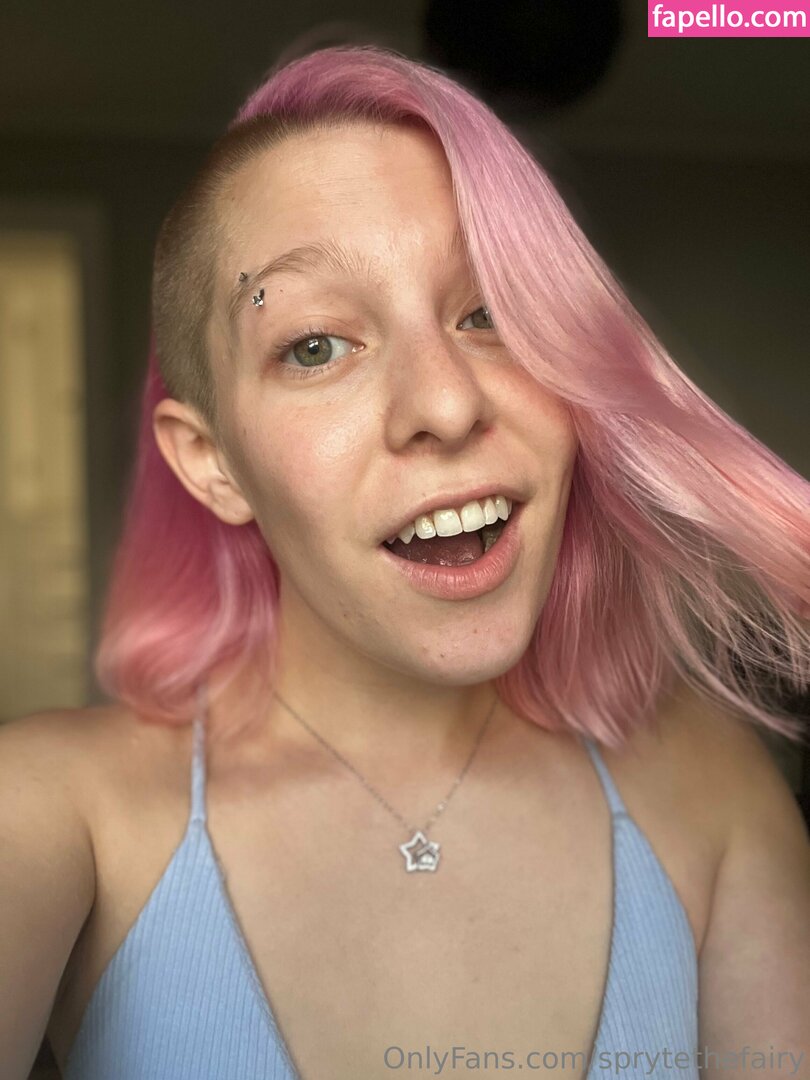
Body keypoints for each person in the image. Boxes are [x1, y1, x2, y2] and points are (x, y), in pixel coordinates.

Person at [2, 44, 808, 1080]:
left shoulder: (712, 790)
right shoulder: (50, 815)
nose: (446, 403)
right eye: (315, 345)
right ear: (213, 465)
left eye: (492, 313)